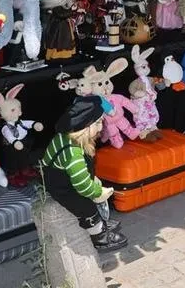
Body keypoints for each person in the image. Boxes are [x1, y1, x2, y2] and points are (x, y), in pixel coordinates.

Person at [40, 95, 127, 253]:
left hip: (68, 175)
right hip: (61, 185)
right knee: (85, 206)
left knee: (89, 171)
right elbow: (82, 185)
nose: (102, 127)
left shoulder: (70, 137)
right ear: (86, 126)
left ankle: (101, 220)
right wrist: (97, 192)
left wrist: (93, 179)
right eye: (99, 123)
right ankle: (99, 235)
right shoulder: (72, 152)